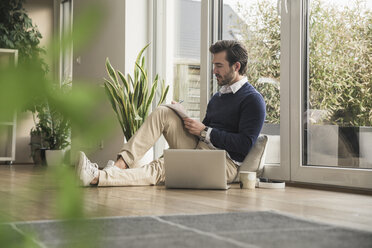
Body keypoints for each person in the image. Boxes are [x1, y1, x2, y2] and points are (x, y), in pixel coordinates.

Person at [76, 40, 266, 187]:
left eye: (219, 66)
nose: (214, 71)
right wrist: (186, 118)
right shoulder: (218, 96)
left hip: (223, 163)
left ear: (237, 66)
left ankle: (97, 176)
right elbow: (206, 130)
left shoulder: (252, 100)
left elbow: (243, 145)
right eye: (214, 65)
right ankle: (118, 167)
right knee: (164, 112)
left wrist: (205, 131)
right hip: (201, 148)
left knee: (164, 165)